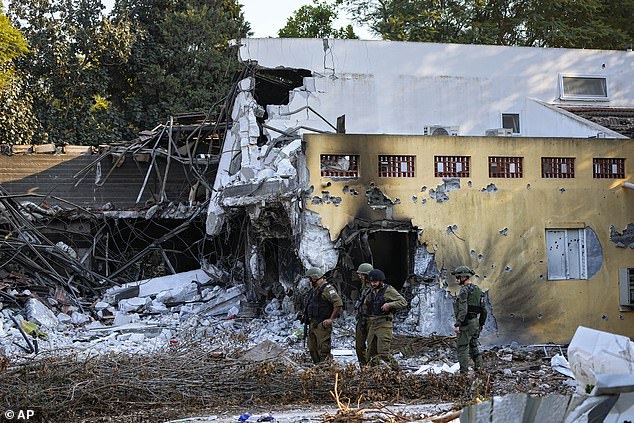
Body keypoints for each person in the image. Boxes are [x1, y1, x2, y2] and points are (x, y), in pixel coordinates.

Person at [365, 269, 407, 369]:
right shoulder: (371, 291)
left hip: (384, 324)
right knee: (370, 352)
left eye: (375, 282)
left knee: (383, 352)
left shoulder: (388, 290)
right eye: (371, 282)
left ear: (380, 281)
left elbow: (403, 302)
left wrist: (390, 304)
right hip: (373, 323)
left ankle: (396, 370)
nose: (373, 284)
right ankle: (373, 373)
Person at [452, 265, 487, 374]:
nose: (457, 280)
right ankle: (479, 369)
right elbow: (484, 310)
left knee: (462, 348)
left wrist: (458, 324)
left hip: (466, 323)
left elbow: (463, 309)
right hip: (476, 322)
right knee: (473, 345)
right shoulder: (478, 290)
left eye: (458, 277)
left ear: (464, 277)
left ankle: (463, 374)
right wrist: (481, 323)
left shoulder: (464, 291)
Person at [303, 267, 343, 364]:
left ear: (314, 278)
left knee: (323, 350)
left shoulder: (327, 289)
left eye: (310, 279)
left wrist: (331, 319)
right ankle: (318, 369)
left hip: (322, 324)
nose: (309, 281)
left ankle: (326, 370)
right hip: (313, 323)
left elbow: (338, 304)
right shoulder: (315, 290)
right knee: (312, 349)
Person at [354, 263, 374, 366]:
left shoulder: (376, 286)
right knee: (359, 346)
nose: (359, 277)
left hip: (372, 320)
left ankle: (373, 369)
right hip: (362, 318)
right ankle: (364, 367)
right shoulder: (364, 286)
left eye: (361, 275)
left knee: (372, 346)